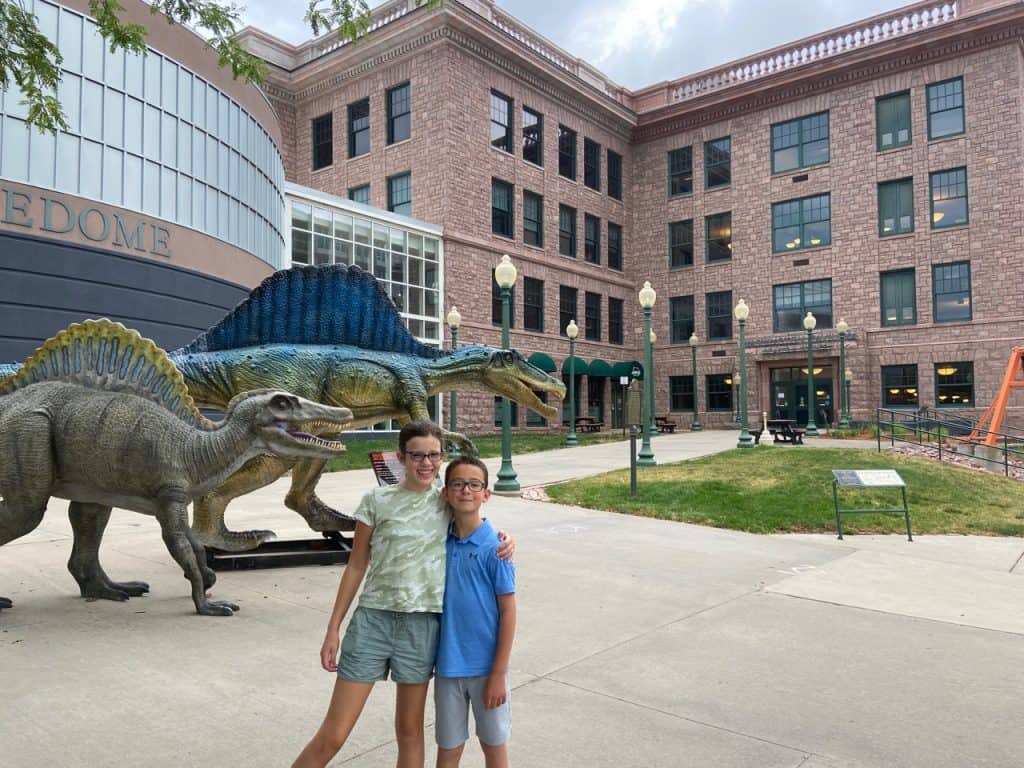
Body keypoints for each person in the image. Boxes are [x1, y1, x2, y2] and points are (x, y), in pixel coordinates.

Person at [291, 421, 513, 768]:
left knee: (410, 731)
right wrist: (334, 627)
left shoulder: (445, 501)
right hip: (373, 623)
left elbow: (476, 517)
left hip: (421, 628)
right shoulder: (377, 500)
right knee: (334, 734)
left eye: (433, 456)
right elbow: (356, 566)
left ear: (442, 458)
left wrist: (505, 538)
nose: (426, 463)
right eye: (417, 455)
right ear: (401, 457)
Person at [435, 457, 516, 768]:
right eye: (457, 483)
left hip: (487, 668)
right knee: (448, 749)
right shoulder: (438, 541)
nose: (465, 490)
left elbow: (508, 611)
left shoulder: (496, 549)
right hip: (447, 666)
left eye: (474, 484)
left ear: (487, 494)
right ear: (445, 492)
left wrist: (498, 673)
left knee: (494, 746)